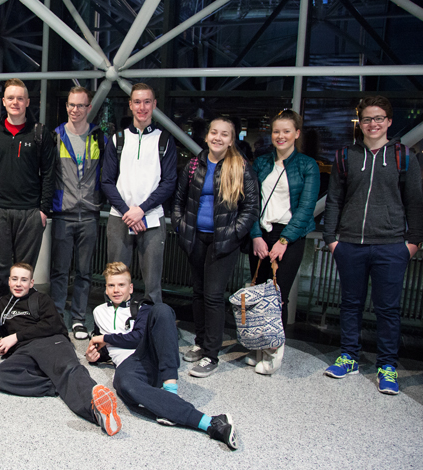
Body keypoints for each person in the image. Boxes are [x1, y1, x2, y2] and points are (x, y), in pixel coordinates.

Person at [323, 96, 423, 395]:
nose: (373, 124)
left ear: (389, 121)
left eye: (379, 118)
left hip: (391, 245)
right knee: (350, 304)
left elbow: (416, 202)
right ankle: (349, 356)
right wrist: (331, 239)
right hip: (350, 243)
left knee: (388, 309)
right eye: (367, 119)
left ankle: (387, 366)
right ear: (361, 123)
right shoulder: (346, 156)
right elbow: (334, 200)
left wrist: (413, 242)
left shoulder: (404, 156)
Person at [86, 262, 238, 450]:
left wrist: (104, 337)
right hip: (130, 368)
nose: (116, 290)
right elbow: (106, 349)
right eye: (111, 285)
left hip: (152, 357)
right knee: (122, 383)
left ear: (130, 288)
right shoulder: (98, 312)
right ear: (106, 288)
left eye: (121, 285)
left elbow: (136, 338)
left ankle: (171, 390)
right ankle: (212, 422)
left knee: (162, 309)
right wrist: (95, 356)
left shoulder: (142, 307)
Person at [0, 263, 122, 436]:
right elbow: (3, 330)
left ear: (31, 283)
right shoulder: (3, 303)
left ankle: (98, 412)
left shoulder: (41, 299)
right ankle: (59, 385)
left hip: (50, 341)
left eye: (24, 280)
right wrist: (4, 345)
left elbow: (53, 324)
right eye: (15, 279)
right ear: (9, 281)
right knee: (0, 376)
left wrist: (16, 336)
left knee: (68, 370)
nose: (18, 284)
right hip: (24, 350)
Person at [171, 117, 258, 378]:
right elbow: (178, 200)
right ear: (207, 135)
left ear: (232, 140)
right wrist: (181, 226)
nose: (218, 138)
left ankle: (211, 354)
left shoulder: (241, 167)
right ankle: (200, 343)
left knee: (213, 296)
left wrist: (233, 234)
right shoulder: (194, 165)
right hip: (196, 238)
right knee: (198, 293)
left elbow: (251, 208)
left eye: (224, 134)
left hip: (223, 242)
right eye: (214, 132)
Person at [248, 110, 319, 375]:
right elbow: (251, 202)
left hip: (289, 236)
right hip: (261, 235)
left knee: (278, 296)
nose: (280, 136)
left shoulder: (307, 165)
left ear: (297, 134)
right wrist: (255, 235)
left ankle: (274, 352)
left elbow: (306, 208)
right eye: (276, 131)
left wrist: (284, 240)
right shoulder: (261, 163)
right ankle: (258, 346)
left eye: (286, 131)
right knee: (258, 293)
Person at [0, 79, 56, 309]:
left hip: (29, 212)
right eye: (10, 98)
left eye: (20, 98)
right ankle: (0, 315)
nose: (15, 102)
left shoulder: (39, 133)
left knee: (23, 273)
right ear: (3, 101)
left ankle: (20, 316)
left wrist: (43, 210)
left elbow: (49, 174)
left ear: (27, 102)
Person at [101, 82, 176, 305]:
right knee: (115, 281)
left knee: (152, 285)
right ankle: (113, 321)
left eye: (146, 102)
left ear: (154, 104)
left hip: (151, 218)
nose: (142, 107)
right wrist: (128, 212)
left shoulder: (164, 140)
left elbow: (169, 183)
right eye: (137, 102)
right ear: (130, 105)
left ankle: (150, 324)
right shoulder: (118, 139)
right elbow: (106, 181)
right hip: (120, 217)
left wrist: (141, 210)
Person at [50, 86, 106, 340]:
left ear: (88, 108)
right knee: (60, 271)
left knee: (84, 272)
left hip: (90, 214)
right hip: (63, 213)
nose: (75, 110)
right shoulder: (56, 136)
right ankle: (57, 317)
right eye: (71, 105)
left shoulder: (98, 138)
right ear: (67, 106)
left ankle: (79, 319)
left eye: (80, 105)